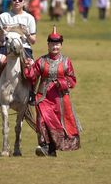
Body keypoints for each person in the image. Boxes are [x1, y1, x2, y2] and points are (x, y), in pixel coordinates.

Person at [25, 27, 81, 156]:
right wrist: (27, 67)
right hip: (43, 97)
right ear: (48, 45)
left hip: (60, 99)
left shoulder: (66, 62)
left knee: (58, 123)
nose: (55, 46)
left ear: (61, 46)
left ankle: (51, 149)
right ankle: (44, 145)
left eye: (57, 44)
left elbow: (72, 80)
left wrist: (61, 82)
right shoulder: (41, 61)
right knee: (42, 120)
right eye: (52, 44)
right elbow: (32, 76)